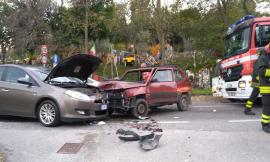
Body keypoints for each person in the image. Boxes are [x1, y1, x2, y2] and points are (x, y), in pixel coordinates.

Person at [244, 49, 263, 115]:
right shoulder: (261, 60)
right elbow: (260, 71)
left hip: (255, 80)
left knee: (254, 95)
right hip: (258, 80)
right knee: (255, 95)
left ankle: (247, 108)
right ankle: (247, 109)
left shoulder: (257, 61)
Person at [257, 43, 270, 133]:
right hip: (266, 87)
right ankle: (265, 124)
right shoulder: (263, 58)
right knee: (267, 107)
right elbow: (261, 72)